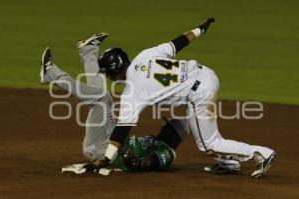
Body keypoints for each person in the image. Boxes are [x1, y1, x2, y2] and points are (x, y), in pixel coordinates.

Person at [91, 18, 276, 178]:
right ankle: (228, 164)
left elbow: (121, 131)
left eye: (108, 73)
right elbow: (177, 43)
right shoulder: (144, 55)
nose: (108, 77)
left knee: (208, 144)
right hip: (206, 75)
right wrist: (200, 30)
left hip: (199, 92)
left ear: (115, 70)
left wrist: (105, 158)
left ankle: (261, 153)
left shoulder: (132, 91)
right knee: (204, 131)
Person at [39, 33, 188, 172]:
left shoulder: (166, 152)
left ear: (173, 135)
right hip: (108, 139)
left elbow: (146, 163)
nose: (163, 127)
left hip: (100, 148)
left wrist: (135, 160)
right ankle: (88, 50)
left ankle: (51, 75)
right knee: (101, 95)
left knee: (103, 99)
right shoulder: (156, 141)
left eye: (168, 127)